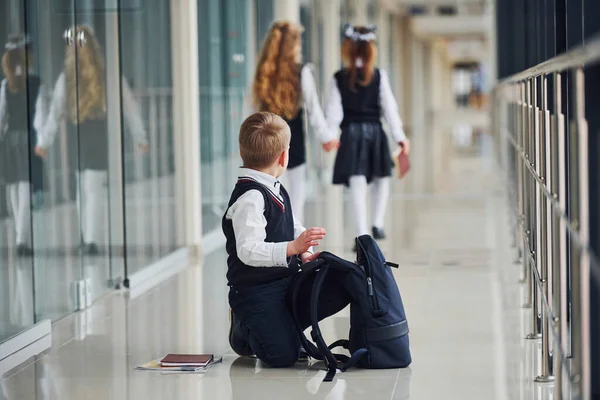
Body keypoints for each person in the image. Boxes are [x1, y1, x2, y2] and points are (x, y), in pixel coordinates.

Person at [224, 112, 346, 367]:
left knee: (339, 286)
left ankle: (281, 325)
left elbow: (290, 224)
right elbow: (248, 250)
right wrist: (291, 248)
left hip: (284, 280)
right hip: (254, 292)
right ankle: (244, 330)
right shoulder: (250, 198)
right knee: (282, 357)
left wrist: (304, 247)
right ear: (284, 156)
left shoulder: (275, 186)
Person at [35, 25, 147, 255]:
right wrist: (139, 136)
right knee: (91, 188)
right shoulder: (107, 74)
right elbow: (130, 108)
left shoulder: (68, 78)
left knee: (83, 188)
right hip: (97, 135)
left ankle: (88, 238)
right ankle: (90, 240)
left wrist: (45, 142)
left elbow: (55, 114)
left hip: (79, 135)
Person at [325, 24, 410, 249]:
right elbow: (389, 109)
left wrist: (330, 135)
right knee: (382, 177)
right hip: (375, 133)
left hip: (351, 135)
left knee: (357, 183)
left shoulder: (339, 78)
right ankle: (377, 223)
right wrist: (400, 136)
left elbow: (333, 112)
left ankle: (362, 232)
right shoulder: (379, 76)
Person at [248, 21, 339, 224]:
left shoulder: (263, 73)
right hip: (292, 138)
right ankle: (294, 237)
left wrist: (249, 140)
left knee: (269, 189)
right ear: (293, 45)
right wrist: (326, 137)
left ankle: (274, 236)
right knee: (296, 193)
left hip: (266, 137)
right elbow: (313, 109)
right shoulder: (301, 72)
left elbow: (254, 110)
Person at [0, 34, 47, 256]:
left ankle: (20, 236)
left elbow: (1, 117)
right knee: (25, 188)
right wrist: (42, 140)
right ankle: (21, 239)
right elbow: (40, 115)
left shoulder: (5, 86)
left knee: (13, 188)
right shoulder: (36, 83)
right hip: (28, 138)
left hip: (9, 140)